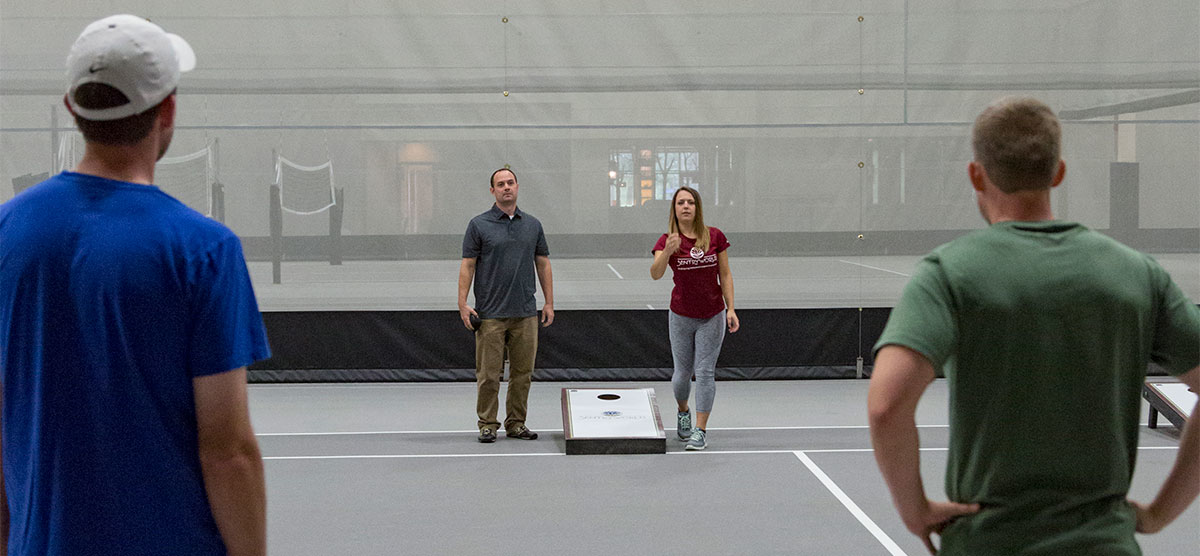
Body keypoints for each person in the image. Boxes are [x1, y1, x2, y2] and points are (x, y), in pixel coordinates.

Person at [868, 96, 1200, 555]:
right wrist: (1160, 513)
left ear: (976, 174)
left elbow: (887, 405)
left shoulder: (949, 273)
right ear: (1057, 172)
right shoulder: (1137, 274)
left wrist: (915, 510)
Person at [0, 15, 270, 556]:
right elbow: (228, 451)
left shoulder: (6, 232)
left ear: (73, 107)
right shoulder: (204, 250)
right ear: (167, 109)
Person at [458, 168, 555, 443]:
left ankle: (516, 424)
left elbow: (543, 263)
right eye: (500, 184)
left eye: (510, 183)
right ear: (493, 191)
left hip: (525, 314)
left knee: (522, 375)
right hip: (490, 315)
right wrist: (462, 303)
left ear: (517, 186)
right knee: (489, 375)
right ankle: (488, 424)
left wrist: (548, 302)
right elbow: (468, 265)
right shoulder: (479, 225)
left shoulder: (533, 225)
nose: (506, 187)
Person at [650, 186, 739, 451]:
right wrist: (667, 251)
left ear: (697, 207)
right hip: (681, 316)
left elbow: (726, 274)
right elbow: (655, 274)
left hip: (712, 315)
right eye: (681, 203)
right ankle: (683, 411)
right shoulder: (667, 240)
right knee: (682, 374)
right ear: (674, 209)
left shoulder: (714, 236)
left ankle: (700, 430)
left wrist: (731, 308)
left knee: (705, 372)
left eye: (691, 202)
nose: (686, 206)